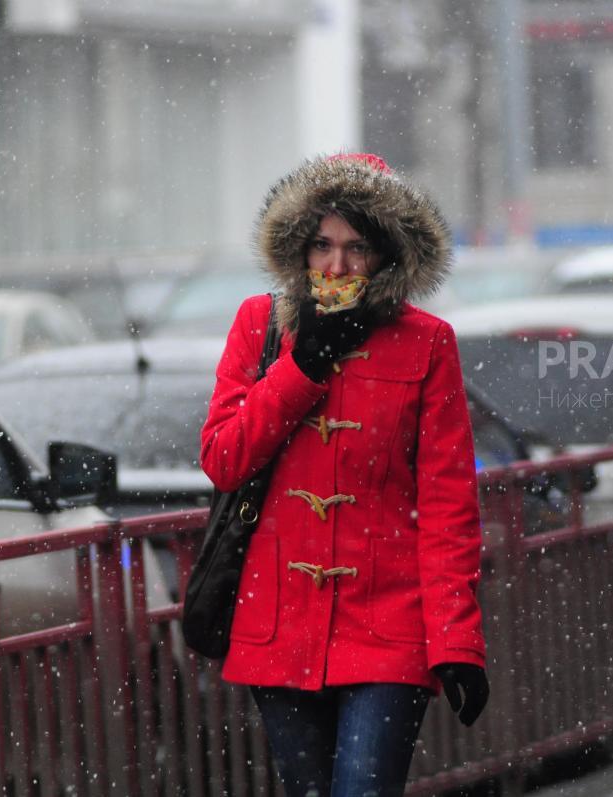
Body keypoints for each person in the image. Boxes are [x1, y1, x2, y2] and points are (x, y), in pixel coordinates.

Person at [200, 153, 489, 797]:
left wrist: (457, 642)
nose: (337, 267)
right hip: (277, 624)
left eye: (357, 247)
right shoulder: (259, 325)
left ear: (386, 255)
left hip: (390, 626)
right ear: (298, 250)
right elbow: (223, 458)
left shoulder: (427, 342)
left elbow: (448, 506)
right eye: (322, 245)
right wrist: (301, 365)